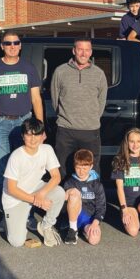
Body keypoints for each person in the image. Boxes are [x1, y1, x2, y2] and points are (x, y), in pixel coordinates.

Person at [0, 31, 43, 195]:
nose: (12, 46)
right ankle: (5, 213)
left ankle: (25, 211)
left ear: (20, 46)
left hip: (24, 123)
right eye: (8, 43)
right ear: (2, 46)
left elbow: (36, 99)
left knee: (25, 167)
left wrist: (40, 130)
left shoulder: (28, 68)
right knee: (2, 168)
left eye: (15, 43)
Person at [2, 118, 65, 248]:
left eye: (37, 134)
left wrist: (41, 194)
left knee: (59, 192)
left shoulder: (47, 149)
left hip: (35, 189)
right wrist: (36, 200)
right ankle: (9, 221)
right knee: (17, 242)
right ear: (22, 136)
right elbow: (12, 189)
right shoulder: (16, 156)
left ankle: (46, 226)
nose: (33, 139)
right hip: (15, 198)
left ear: (43, 136)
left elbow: (56, 177)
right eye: (29, 135)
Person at [50, 37, 108, 176]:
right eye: (80, 49)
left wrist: (91, 119)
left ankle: (91, 197)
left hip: (90, 131)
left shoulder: (99, 74)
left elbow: (101, 101)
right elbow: (55, 100)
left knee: (91, 169)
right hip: (66, 131)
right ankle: (65, 196)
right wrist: (66, 118)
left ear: (91, 52)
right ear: (74, 51)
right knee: (63, 168)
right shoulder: (60, 71)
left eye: (87, 50)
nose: (84, 53)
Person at [111, 128, 140, 237]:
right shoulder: (119, 160)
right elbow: (120, 188)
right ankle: (132, 215)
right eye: (132, 141)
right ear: (127, 143)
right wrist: (124, 209)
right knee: (133, 232)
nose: (135, 145)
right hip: (128, 204)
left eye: (138, 141)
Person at [63, 148, 105, 246]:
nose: (81, 172)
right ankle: (73, 229)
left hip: (89, 219)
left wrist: (95, 223)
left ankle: (83, 230)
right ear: (74, 166)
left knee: (94, 240)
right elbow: (63, 204)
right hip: (74, 216)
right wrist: (67, 193)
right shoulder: (70, 182)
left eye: (84, 168)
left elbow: (101, 206)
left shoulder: (97, 184)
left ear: (91, 167)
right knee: (73, 192)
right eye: (78, 168)